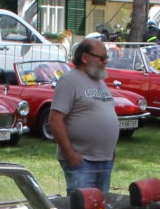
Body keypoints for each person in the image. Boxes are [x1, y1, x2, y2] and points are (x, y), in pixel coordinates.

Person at [49, 38, 121, 194]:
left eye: (106, 58)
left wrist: (111, 151)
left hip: (104, 160)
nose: (105, 61)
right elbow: (55, 120)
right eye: (101, 58)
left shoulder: (100, 81)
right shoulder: (69, 80)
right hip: (82, 161)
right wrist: (69, 153)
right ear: (85, 57)